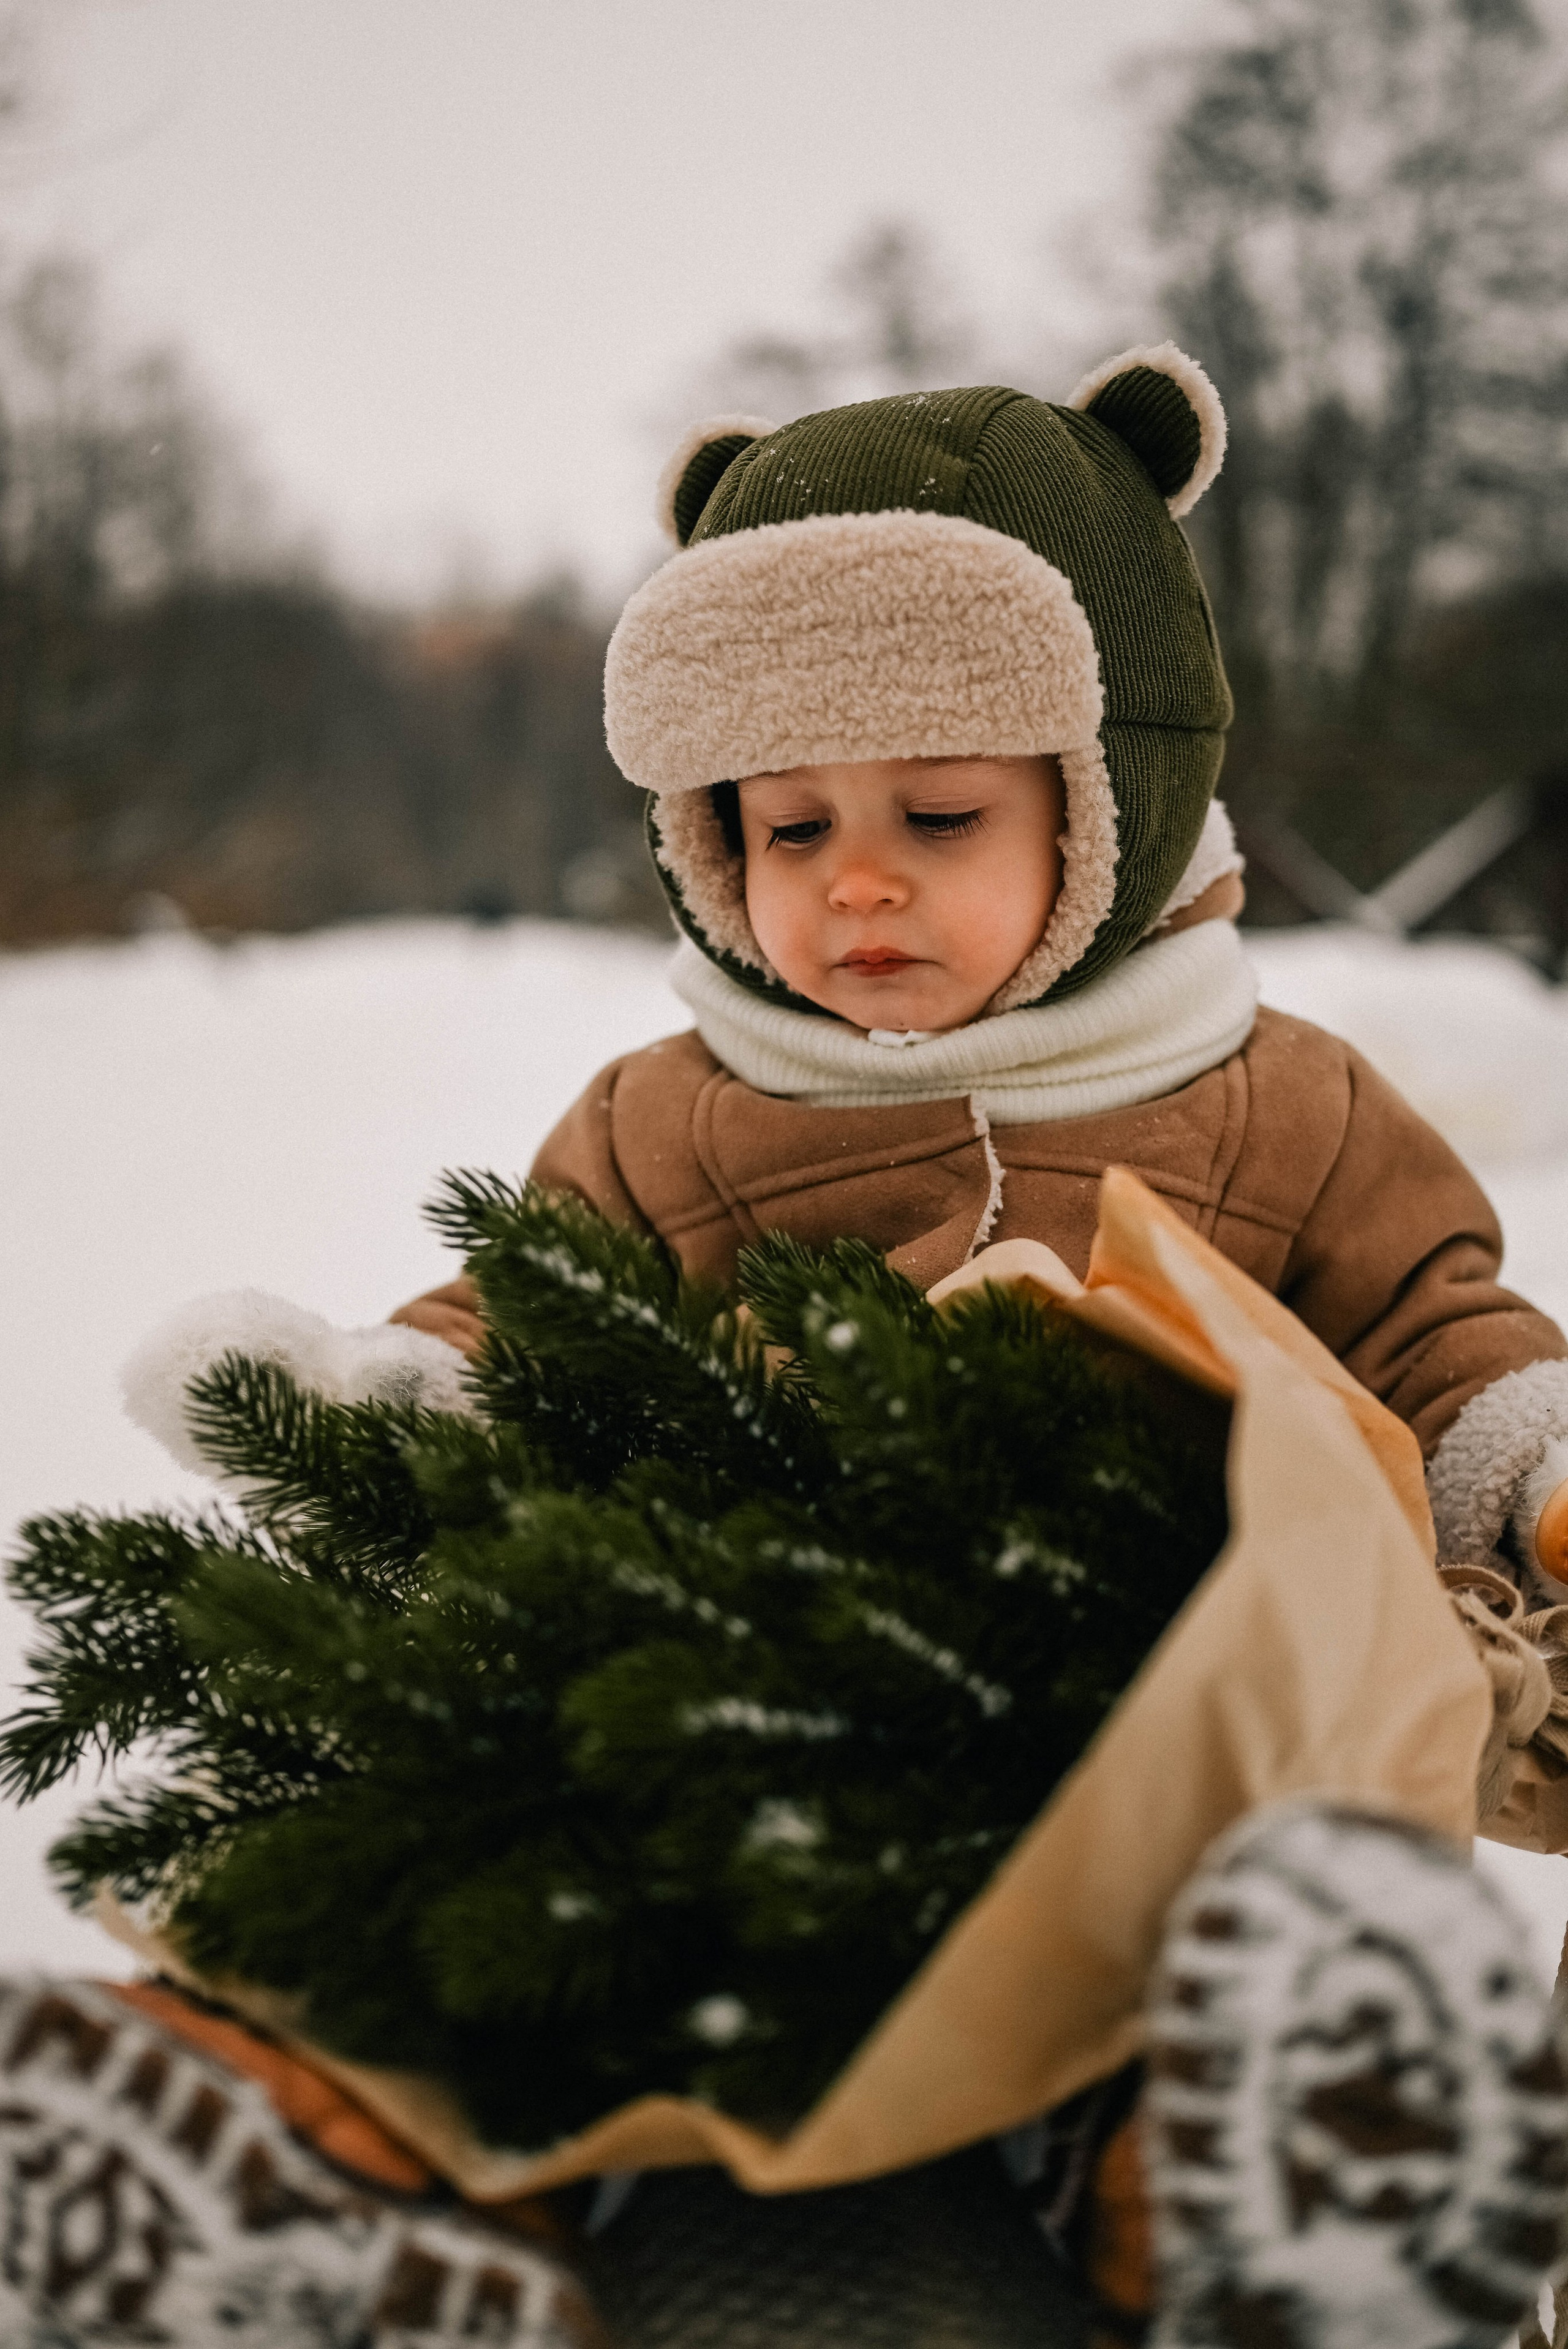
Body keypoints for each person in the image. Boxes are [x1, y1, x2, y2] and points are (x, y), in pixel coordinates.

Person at [387, 352, 1568, 2348]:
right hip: (793, 1721)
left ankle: (1247, 2156)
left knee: (1209, 1927)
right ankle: (416, 2162)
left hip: (1187, 1714)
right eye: (781, 827)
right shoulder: (675, 1118)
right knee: (613, 1898)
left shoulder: (1277, 1102)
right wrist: (409, 1408)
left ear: (1113, 804)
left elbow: (1439, 1322)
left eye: (939, 815)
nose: (853, 884)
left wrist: (1529, 1460)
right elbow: (534, 1311)